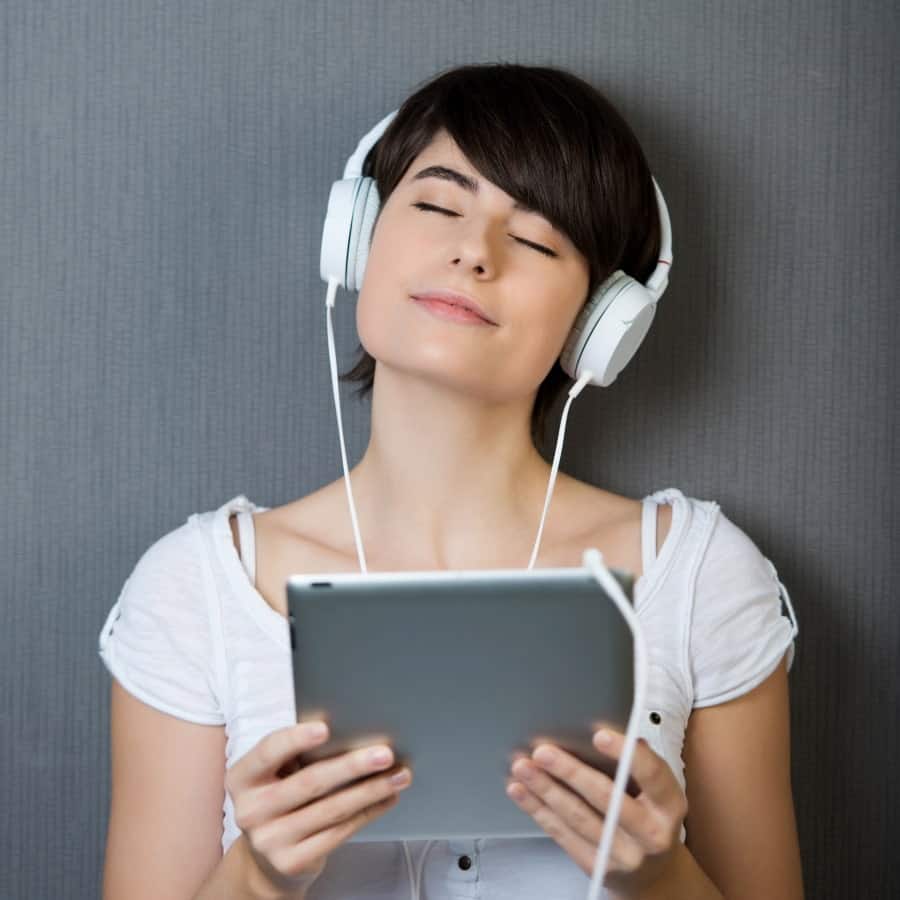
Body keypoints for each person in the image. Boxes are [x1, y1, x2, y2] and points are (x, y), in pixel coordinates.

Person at [98, 63, 804, 900]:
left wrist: (659, 875)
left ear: (600, 323)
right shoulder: (196, 590)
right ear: (356, 238)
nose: (475, 251)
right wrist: (258, 872)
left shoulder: (699, 577)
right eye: (438, 203)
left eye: (538, 240)